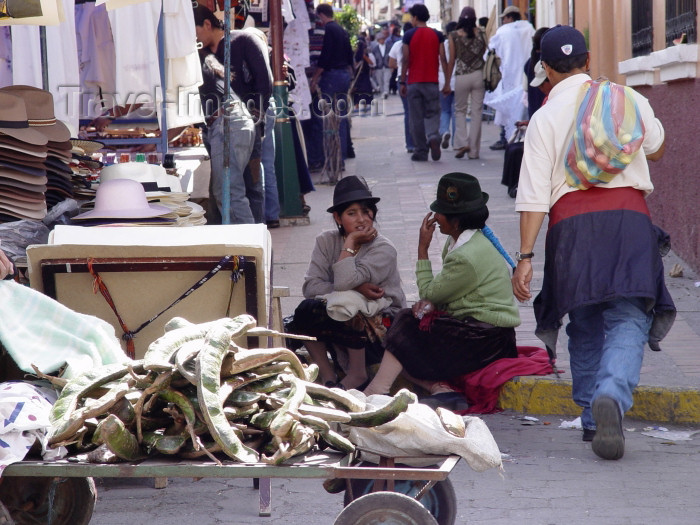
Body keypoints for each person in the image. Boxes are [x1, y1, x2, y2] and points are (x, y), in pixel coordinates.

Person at [512, 25, 675, 460]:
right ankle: (611, 395)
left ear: (545, 69)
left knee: (583, 319)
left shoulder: (544, 117)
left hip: (572, 228)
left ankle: (591, 418)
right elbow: (657, 149)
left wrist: (525, 258)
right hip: (629, 222)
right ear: (587, 61)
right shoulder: (625, 98)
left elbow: (532, 196)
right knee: (628, 315)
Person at [364, 173, 521, 409]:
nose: (435, 218)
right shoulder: (462, 241)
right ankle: (440, 389)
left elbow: (430, 290)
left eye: (440, 212)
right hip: (478, 332)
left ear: (456, 221)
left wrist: (422, 249)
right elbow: (442, 293)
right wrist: (431, 304)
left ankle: (378, 389)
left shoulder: (466, 255)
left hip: (487, 341)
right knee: (404, 327)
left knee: (405, 322)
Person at [292, 176, 406, 390]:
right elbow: (310, 287)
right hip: (341, 321)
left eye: (366, 212)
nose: (361, 219)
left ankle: (357, 374)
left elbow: (344, 283)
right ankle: (327, 376)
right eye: (351, 213)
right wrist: (359, 287)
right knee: (305, 311)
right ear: (337, 217)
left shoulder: (383, 248)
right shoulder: (325, 241)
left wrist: (351, 243)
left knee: (348, 304)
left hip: (379, 330)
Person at [193, 4, 272, 224]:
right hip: (218, 127)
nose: (194, 37)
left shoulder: (243, 40)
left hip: (246, 123)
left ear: (207, 24)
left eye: (195, 31)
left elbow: (265, 82)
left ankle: (255, 239)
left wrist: (256, 118)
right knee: (225, 188)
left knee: (250, 187)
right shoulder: (204, 53)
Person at [400, 3, 450, 162]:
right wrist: (447, 82)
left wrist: (402, 81)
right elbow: (443, 58)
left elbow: (406, 59)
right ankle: (434, 137)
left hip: (414, 82)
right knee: (433, 113)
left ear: (415, 18)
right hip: (432, 82)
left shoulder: (408, 35)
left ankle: (421, 151)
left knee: (416, 118)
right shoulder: (437, 35)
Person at [483, 5, 534, 150]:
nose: (504, 21)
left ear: (510, 17)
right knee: (523, 109)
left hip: (508, 77)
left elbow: (490, 53)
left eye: (504, 18)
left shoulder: (503, 32)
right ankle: (522, 138)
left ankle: (505, 139)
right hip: (525, 76)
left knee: (505, 110)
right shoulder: (529, 29)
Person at [309, 3, 354, 162]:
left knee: (323, 117)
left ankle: (323, 158)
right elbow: (350, 57)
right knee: (340, 117)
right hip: (343, 75)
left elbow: (325, 57)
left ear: (321, 15)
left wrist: (314, 78)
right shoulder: (342, 30)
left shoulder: (326, 30)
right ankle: (339, 158)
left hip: (331, 77)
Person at [447, 7, 487, 160]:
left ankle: (463, 142)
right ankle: (474, 151)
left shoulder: (454, 35)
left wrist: (447, 82)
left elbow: (452, 60)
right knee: (477, 112)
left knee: (460, 110)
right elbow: (485, 51)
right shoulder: (481, 33)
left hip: (462, 76)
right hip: (479, 75)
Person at [388, 22, 414, 153]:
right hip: (416, 79)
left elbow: (391, 63)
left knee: (408, 112)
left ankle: (410, 144)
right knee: (419, 112)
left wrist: (401, 67)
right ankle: (422, 141)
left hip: (402, 80)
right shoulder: (417, 44)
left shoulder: (397, 45)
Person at [438, 20, 457, 151]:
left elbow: (442, 61)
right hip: (457, 80)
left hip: (442, 79)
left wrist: (445, 82)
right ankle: (456, 141)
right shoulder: (460, 44)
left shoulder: (442, 45)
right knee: (456, 111)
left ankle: (444, 131)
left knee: (445, 110)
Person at [524, 27, 549, 119]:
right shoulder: (551, 62)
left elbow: (525, 88)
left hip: (534, 113)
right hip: (548, 111)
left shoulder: (528, 63)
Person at [369, 30, 392, 99]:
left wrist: (392, 67)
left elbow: (391, 57)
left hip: (387, 66)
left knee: (386, 80)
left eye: (382, 39)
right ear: (378, 40)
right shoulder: (375, 49)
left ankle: (386, 92)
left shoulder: (389, 47)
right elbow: (373, 58)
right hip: (378, 67)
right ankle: (382, 92)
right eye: (380, 39)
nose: (382, 41)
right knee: (380, 81)